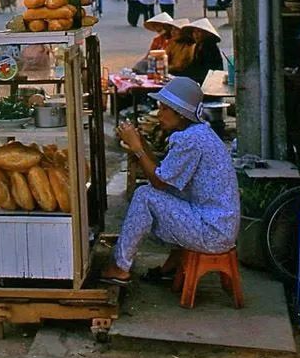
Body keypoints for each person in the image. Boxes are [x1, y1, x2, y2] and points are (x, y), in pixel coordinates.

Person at [99, 77, 240, 285]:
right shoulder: (197, 132)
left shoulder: (190, 140)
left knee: (144, 195)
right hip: (217, 224)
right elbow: (165, 173)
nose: (160, 115)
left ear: (181, 115)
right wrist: (143, 145)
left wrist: (137, 148)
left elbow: (158, 182)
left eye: (165, 109)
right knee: (164, 194)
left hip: (213, 231)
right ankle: (170, 267)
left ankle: (120, 267)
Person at [183, 18, 224, 84]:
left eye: (199, 31)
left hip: (210, 78)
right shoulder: (198, 45)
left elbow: (209, 69)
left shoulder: (209, 46)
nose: (195, 34)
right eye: (194, 32)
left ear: (206, 33)